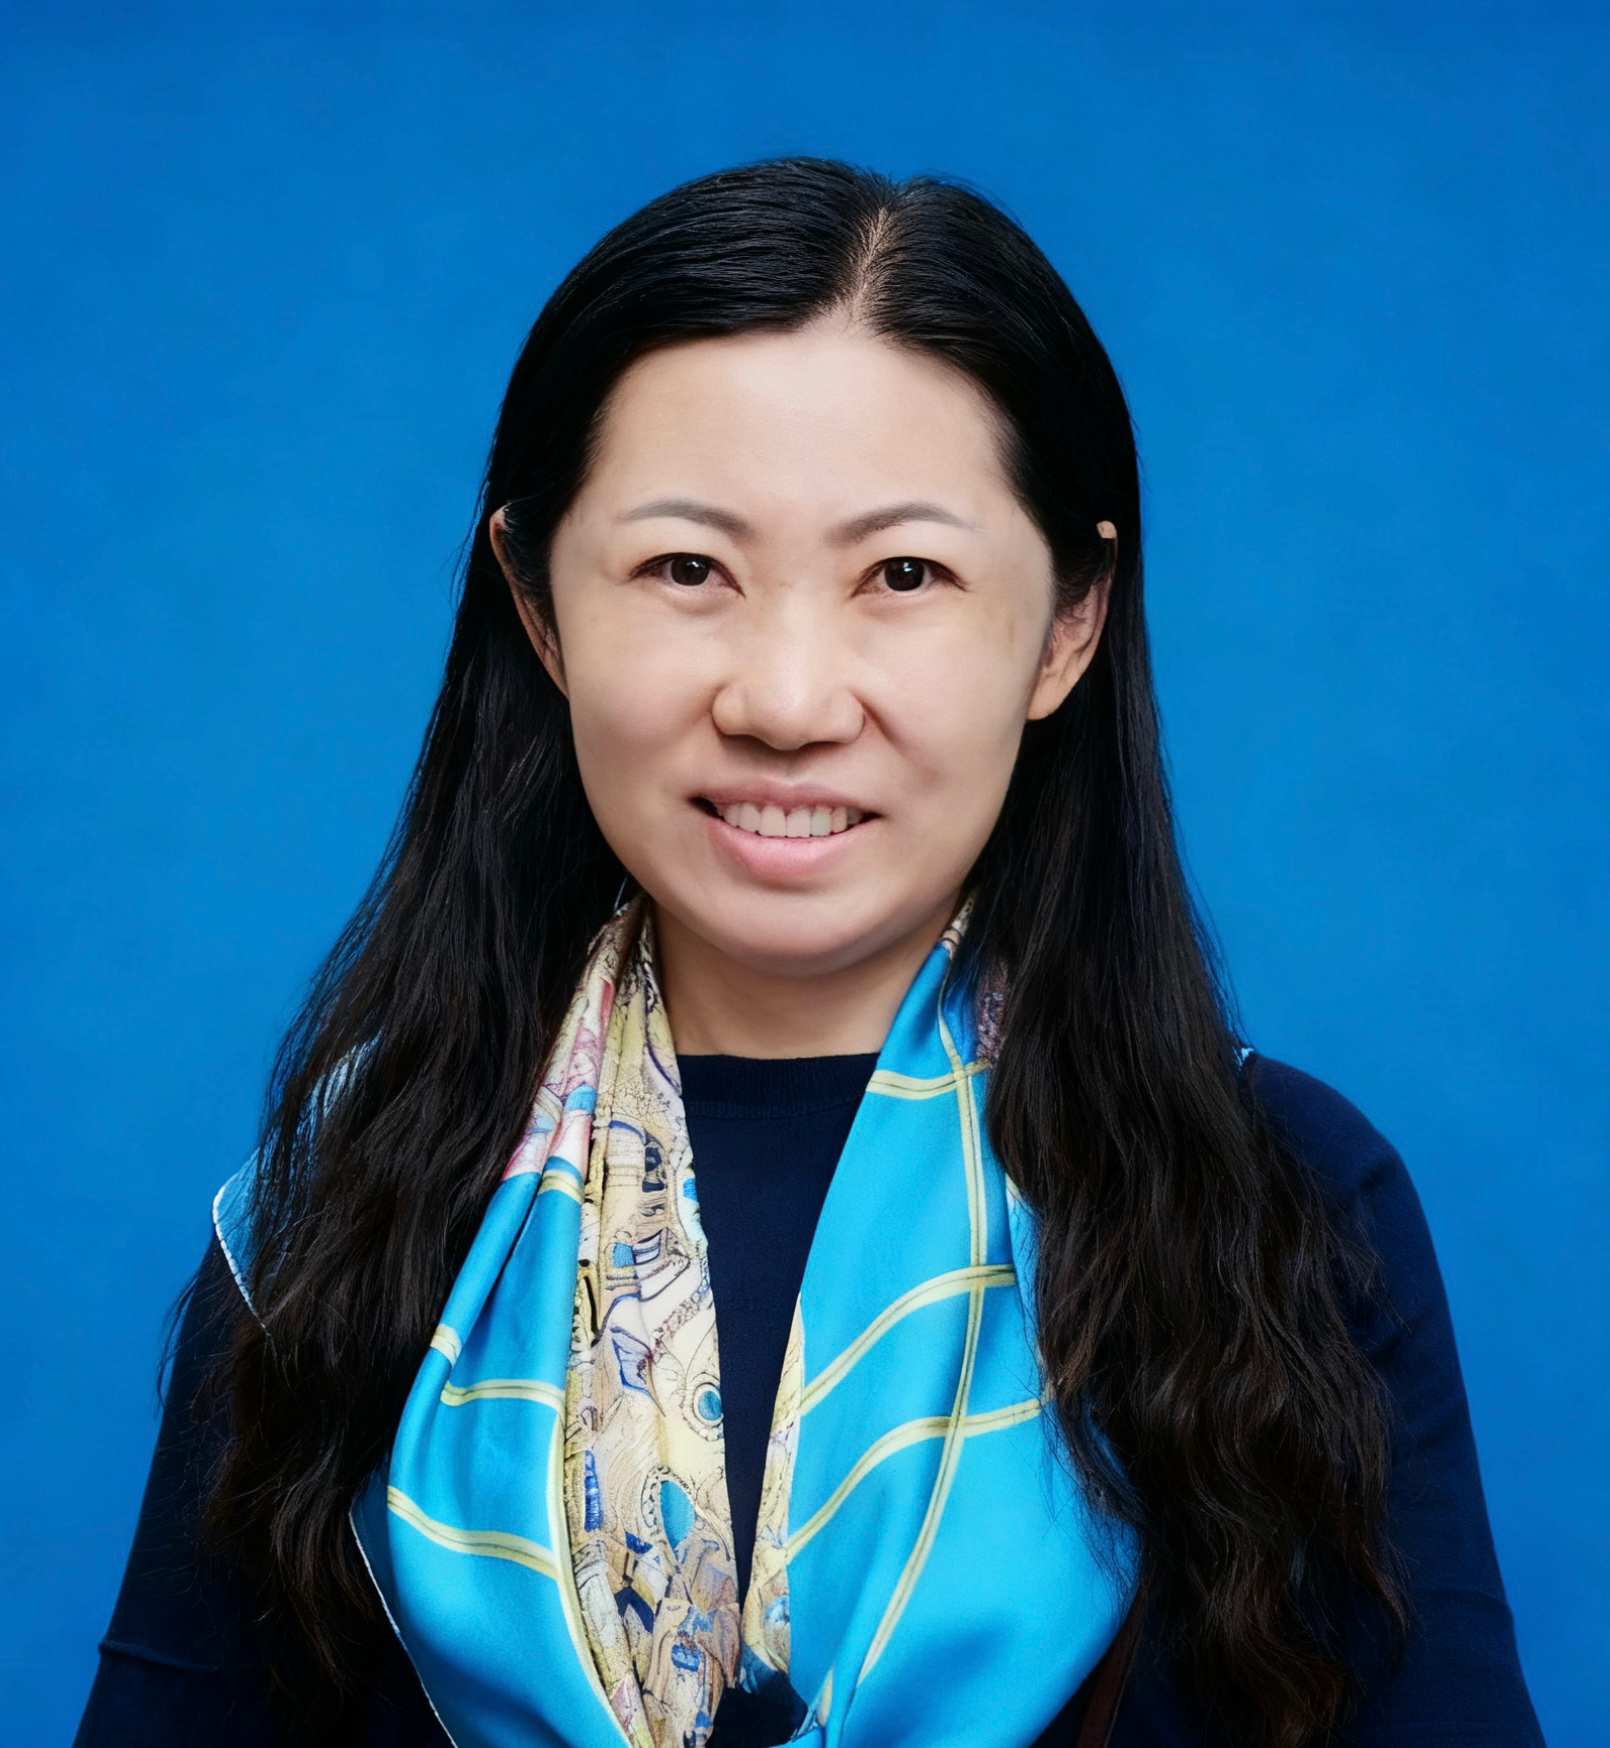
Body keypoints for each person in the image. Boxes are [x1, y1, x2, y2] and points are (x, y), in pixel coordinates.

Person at [75, 156, 1545, 1748]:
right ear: (538, 603)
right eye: (685, 570)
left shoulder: (1282, 1206)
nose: (784, 700)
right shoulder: (336, 1208)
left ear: (1066, 623)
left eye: (902, 575)